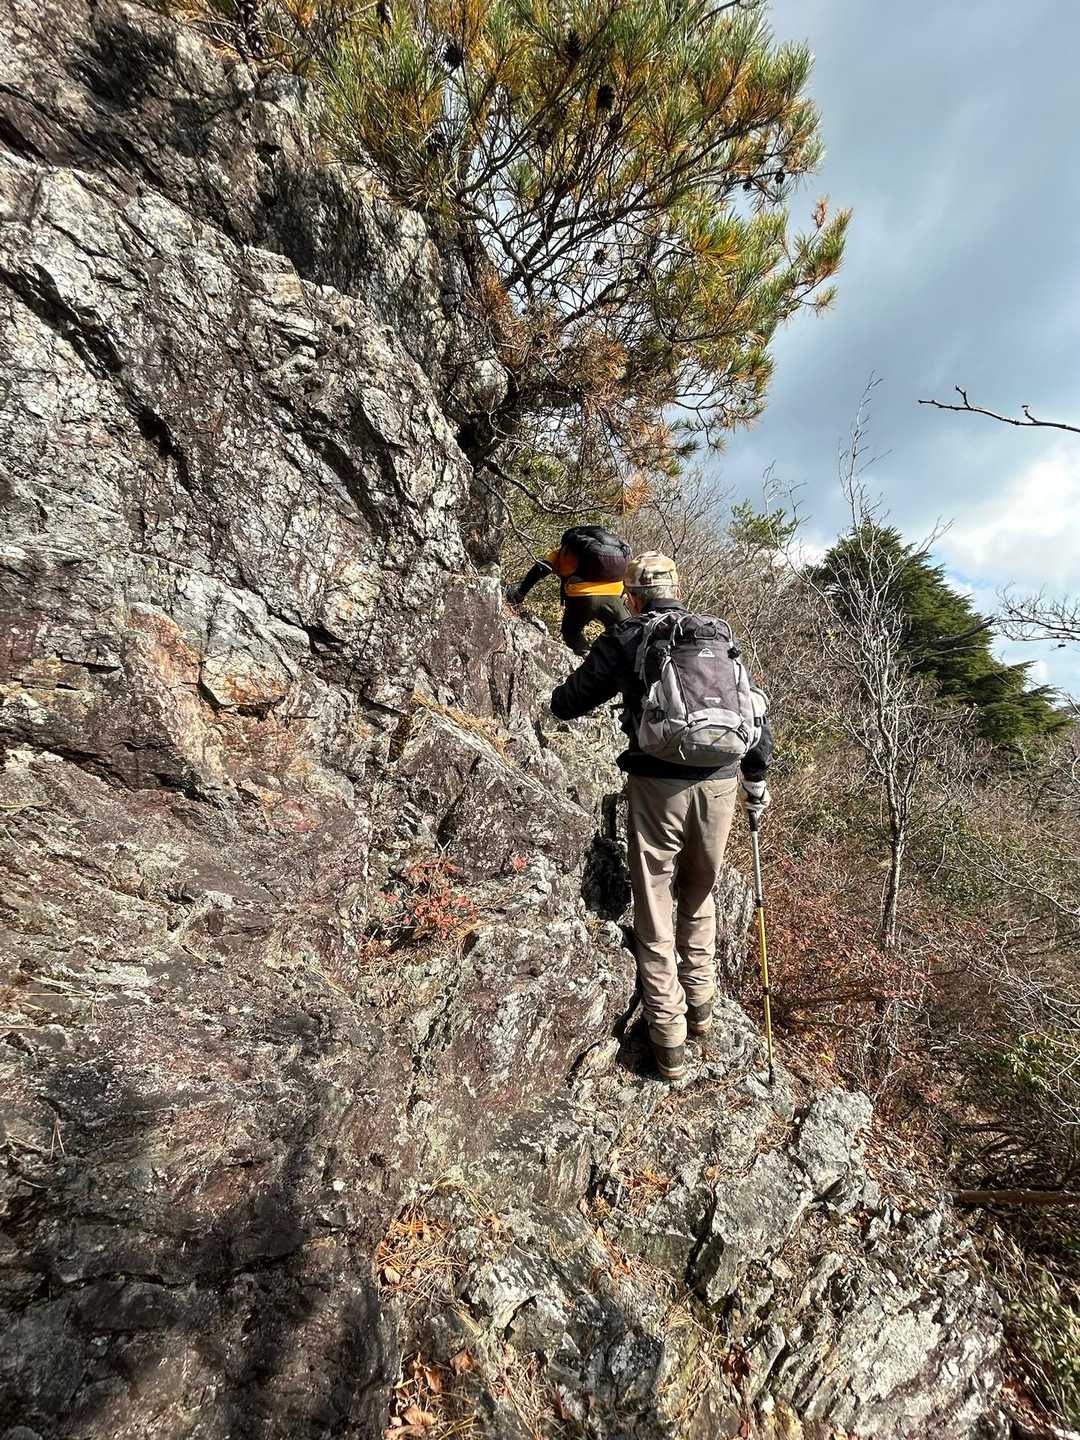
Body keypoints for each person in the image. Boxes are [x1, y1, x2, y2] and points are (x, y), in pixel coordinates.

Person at [549, 551, 773, 1081]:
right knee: (700, 893)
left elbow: (570, 701)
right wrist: (756, 783)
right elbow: (754, 713)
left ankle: (668, 1040)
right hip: (721, 784)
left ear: (631, 597)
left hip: (657, 785)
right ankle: (702, 1009)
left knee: (653, 902)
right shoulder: (714, 637)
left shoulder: (629, 637)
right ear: (677, 590)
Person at [507, 526, 631, 656]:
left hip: (583, 596)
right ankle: (626, 662)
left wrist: (520, 594)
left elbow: (541, 569)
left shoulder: (566, 550)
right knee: (628, 634)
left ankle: (587, 656)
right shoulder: (613, 554)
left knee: (571, 632)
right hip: (615, 597)